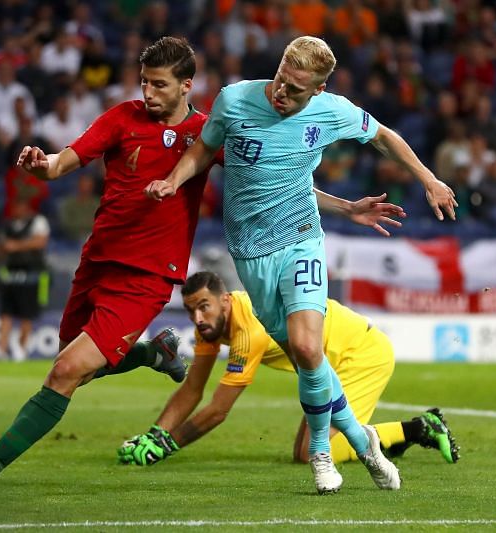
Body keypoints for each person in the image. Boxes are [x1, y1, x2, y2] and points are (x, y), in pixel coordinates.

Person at [145, 36, 458, 494]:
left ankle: (321, 454)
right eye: (280, 80)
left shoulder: (333, 111)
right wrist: (174, 181)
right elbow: (202, 149)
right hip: (251, 253)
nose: (281, 93)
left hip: (302, 239)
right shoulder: (235, 101)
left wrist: (428, 179)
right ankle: (363, 441)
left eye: (295, 89)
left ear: (319, 89)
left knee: (308, 347)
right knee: (304, 357)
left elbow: (385, 137)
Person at [0, 37, 210, 498]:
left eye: (159, 85)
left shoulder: (206, 134)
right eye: (144, 82)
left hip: (146, 276)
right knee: (74, 360)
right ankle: (153, 353)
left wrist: (338, 206)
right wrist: (40, 163)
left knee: (66, 371)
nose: (148, 93)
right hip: (98, 261)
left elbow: (266, 175)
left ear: (186, 85)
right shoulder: (121, 118)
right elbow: (62, 162)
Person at [118, 271, 460, 468]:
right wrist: (154, 434)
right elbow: (192, 388)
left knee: (314, 454)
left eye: (203, 307)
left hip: (360, 354)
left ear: (224, 301)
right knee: (304, 452)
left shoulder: (247, 328)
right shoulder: (210, 326)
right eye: (191, 310)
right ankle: (391, 441)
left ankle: (417, 429)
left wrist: (167, 447)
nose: (197, 318)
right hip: (328, 362)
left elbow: (218, 410)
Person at [0, 196, 51, 358]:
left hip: (31, 273)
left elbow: (40, 242)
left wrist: (15, 246)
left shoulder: (38, 221)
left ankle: (21, 348)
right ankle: (1, 350)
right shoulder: (8, 224)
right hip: (10, 273)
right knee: (6, 312)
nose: (16, 210)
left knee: (27, 313)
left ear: (26, 207)